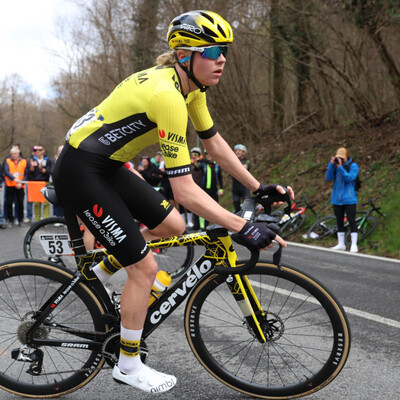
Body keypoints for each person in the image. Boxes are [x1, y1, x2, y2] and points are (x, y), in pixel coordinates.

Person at [52, 10, 294, 395]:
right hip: (80, 170)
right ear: (184, 55)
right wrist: (241, 225)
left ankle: (103, 271)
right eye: (212, 50)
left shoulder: (190, 89)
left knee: (174, 226)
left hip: (106, 165)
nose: (222, 59)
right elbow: (184, 191)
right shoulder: (168, 96)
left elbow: (213, 142)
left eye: (224, 51)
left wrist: (256, 186)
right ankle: (129, 366)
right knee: (145, 270)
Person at [326, 147, 359, 253]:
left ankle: (354, 244)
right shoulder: (335, 166)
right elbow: (328, 178)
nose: (340, 159)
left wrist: (341, 167)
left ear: (347, 157)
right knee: (339, 221)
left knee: (351, 220)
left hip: (349, 199)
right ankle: (341, 244)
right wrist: (331, 165)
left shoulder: (353, 166)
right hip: (336, 199)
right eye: (338, 157)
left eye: (342, 158)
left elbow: (350, 178)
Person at [3, 147, 28, 227]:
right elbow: (6, 171)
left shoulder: (24, 161)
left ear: (18, 154)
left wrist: (21, 182)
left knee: (20, 203)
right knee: (9, 203)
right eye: (12, 154)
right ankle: (10, 219)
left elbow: (26, 173)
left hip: (20, 185)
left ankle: (20, 219)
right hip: (10, 185)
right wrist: (14, 179)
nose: (14, 155)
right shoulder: (7, 160)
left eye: (15, 154)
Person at [199, 150, 224, 227]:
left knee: (215, 207)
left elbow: (220, 178)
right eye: (207, 154)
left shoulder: (216, 165)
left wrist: (221, 189)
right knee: (204, 207)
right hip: (204, 190)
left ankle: (216, 224)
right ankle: (202, 226)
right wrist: (199, 160)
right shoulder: (203, 164)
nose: (208, 155)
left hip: (214, 190)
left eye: (210, 154)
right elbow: (197, 167)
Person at [28, 145, 51, 221]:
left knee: (45, 202)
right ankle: (37, 220)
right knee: (37, 203)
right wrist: (31, 168)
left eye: (40, 150)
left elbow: (49, 172)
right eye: (36, 150)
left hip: (45, 182)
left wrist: (42, 169)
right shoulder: (32, 160)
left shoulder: (48, 160)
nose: (38, 151)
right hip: (35, 183)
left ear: (44, 151)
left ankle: (45, 220)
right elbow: (29, 173)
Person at [232, 144, 251, 213]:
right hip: (235, 187)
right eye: (236, 151)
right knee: (236, 207)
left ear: (243, 152)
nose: (237, 152)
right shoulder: (233, 161)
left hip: (244, 187)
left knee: (247, 206)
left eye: (239, 151)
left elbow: (244, 168)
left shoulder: (247, 161)